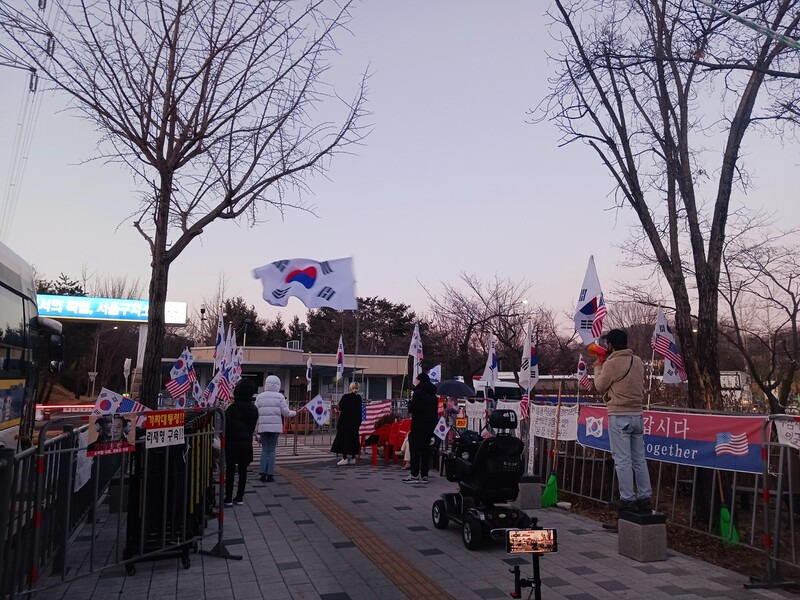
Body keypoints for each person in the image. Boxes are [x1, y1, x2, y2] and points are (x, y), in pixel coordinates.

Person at [592, 328, 652, 512]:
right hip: (637, 415)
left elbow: (600, 386)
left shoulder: (611, 364)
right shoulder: (637, 361)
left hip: (619, 415)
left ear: (610, 345)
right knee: (639, 459)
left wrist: (598, 367)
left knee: (622, 460)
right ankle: (645, 496)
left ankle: (627, 498)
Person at [224, 379, 259, 506]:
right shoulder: (254, 409)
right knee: (243, 471)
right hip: (246, 445)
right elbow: (251, 428)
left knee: (230, 471)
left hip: (231, 444)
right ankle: (239, 497)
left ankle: (228, 498)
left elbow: (226, 427)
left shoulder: (231, 409)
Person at [255, 374, 296, 483]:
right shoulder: (280, 397)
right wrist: (294, 413)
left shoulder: (259, 397)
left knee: (264, 449)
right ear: (278, 384)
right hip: (275, 427)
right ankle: (270, 474)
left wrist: (256, 430)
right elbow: (286, 413)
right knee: (272, 450)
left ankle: (262, 473)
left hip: (263, 426)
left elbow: (256, 413)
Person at [404, 371, 439, 484]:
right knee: (425, 450)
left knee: (414, 449)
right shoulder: (433, 395)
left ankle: (414, 474)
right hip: (429, 426)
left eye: (417, 379)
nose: (416, 381)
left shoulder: (418, 392)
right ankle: (424, 474)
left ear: (420, 380)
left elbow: (413, 408)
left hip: (418, 424)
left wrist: (410, 403)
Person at [330, 382, 363, 465]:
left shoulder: (346, 397)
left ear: (350, 388)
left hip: (345, 421)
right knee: (353, 439)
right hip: (355, 422)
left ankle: (344, 458)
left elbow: (340, 407)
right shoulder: (359, 398)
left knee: (343, 439)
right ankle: (353, 457)